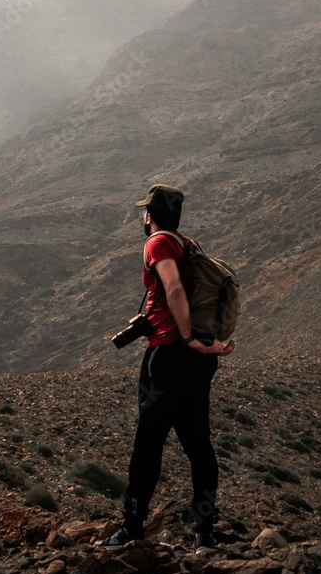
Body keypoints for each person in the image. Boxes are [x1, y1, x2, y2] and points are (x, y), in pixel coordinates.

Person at [98, 183, 236, 552]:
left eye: (145, 211)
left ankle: (131, 527)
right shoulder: (190, 244)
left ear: (150, 215)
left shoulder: (158, 242)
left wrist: (187, 337)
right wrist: (201, 346)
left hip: (169, 355)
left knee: (149, 443)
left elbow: (174, 289)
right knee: (198, 444)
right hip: (199, 361)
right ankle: (203, 531)